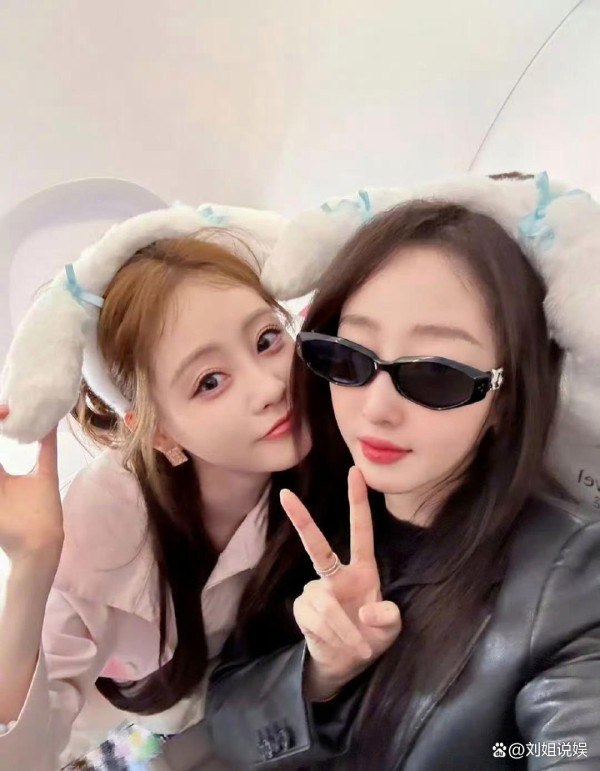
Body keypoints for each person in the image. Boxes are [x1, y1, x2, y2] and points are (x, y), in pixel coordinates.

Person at [204, 172, 600, 769]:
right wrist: (320, 673)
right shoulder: (313, 508)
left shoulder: (574, 579)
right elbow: (227, 715)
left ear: (506, 398)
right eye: (348, 358)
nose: (376, 408)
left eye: (435, 373)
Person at [0, 202, 309, 770]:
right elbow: (24, 753)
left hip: (244, 701)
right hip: (126, 730)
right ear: (158, 431)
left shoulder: (333, 430)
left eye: (267, 339)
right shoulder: (102, 523)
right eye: (210, 381)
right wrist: (31, 567)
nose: (270, 386)